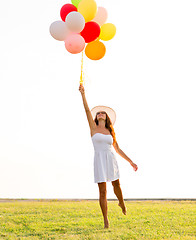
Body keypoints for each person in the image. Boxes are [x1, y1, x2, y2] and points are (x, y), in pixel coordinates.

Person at [79, 84, 138, 228]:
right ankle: (106, 220)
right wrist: (83, 94)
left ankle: (121, 202)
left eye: (103, 113)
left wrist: (131, 161)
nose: (100, 113)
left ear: (107, 117)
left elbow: (117, 148)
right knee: (103, 191)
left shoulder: (111, 131)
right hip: (99, 160)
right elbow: (87, 110)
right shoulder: (93, 128)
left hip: (111, 159)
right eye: (98, 113)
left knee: (116, 184)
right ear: (96, 117)